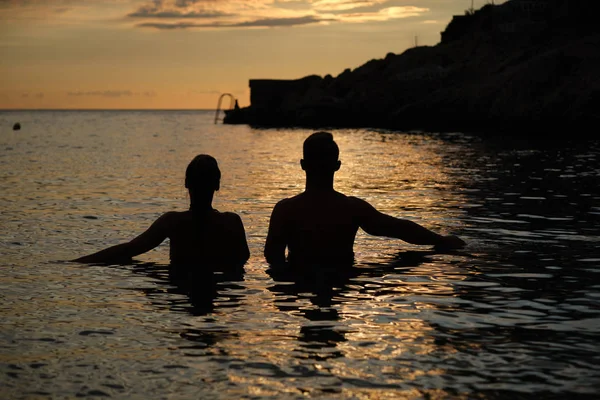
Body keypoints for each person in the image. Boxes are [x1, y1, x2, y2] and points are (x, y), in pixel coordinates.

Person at [264, 131, 465, 266]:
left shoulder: (286, 209)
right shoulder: (352, 208)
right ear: (338, 165)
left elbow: (273, 258)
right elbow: (399, 228)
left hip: (299, 280)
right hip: (342, 280)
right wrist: (442, 240)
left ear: (302, 164)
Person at [73, 154, 250, 272]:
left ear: (186, 183)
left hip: (181, 287)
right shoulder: (231, 221)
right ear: (217, 185)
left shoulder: (173, 221)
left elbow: (130, 249)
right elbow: (241, 262)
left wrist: (78, 262)